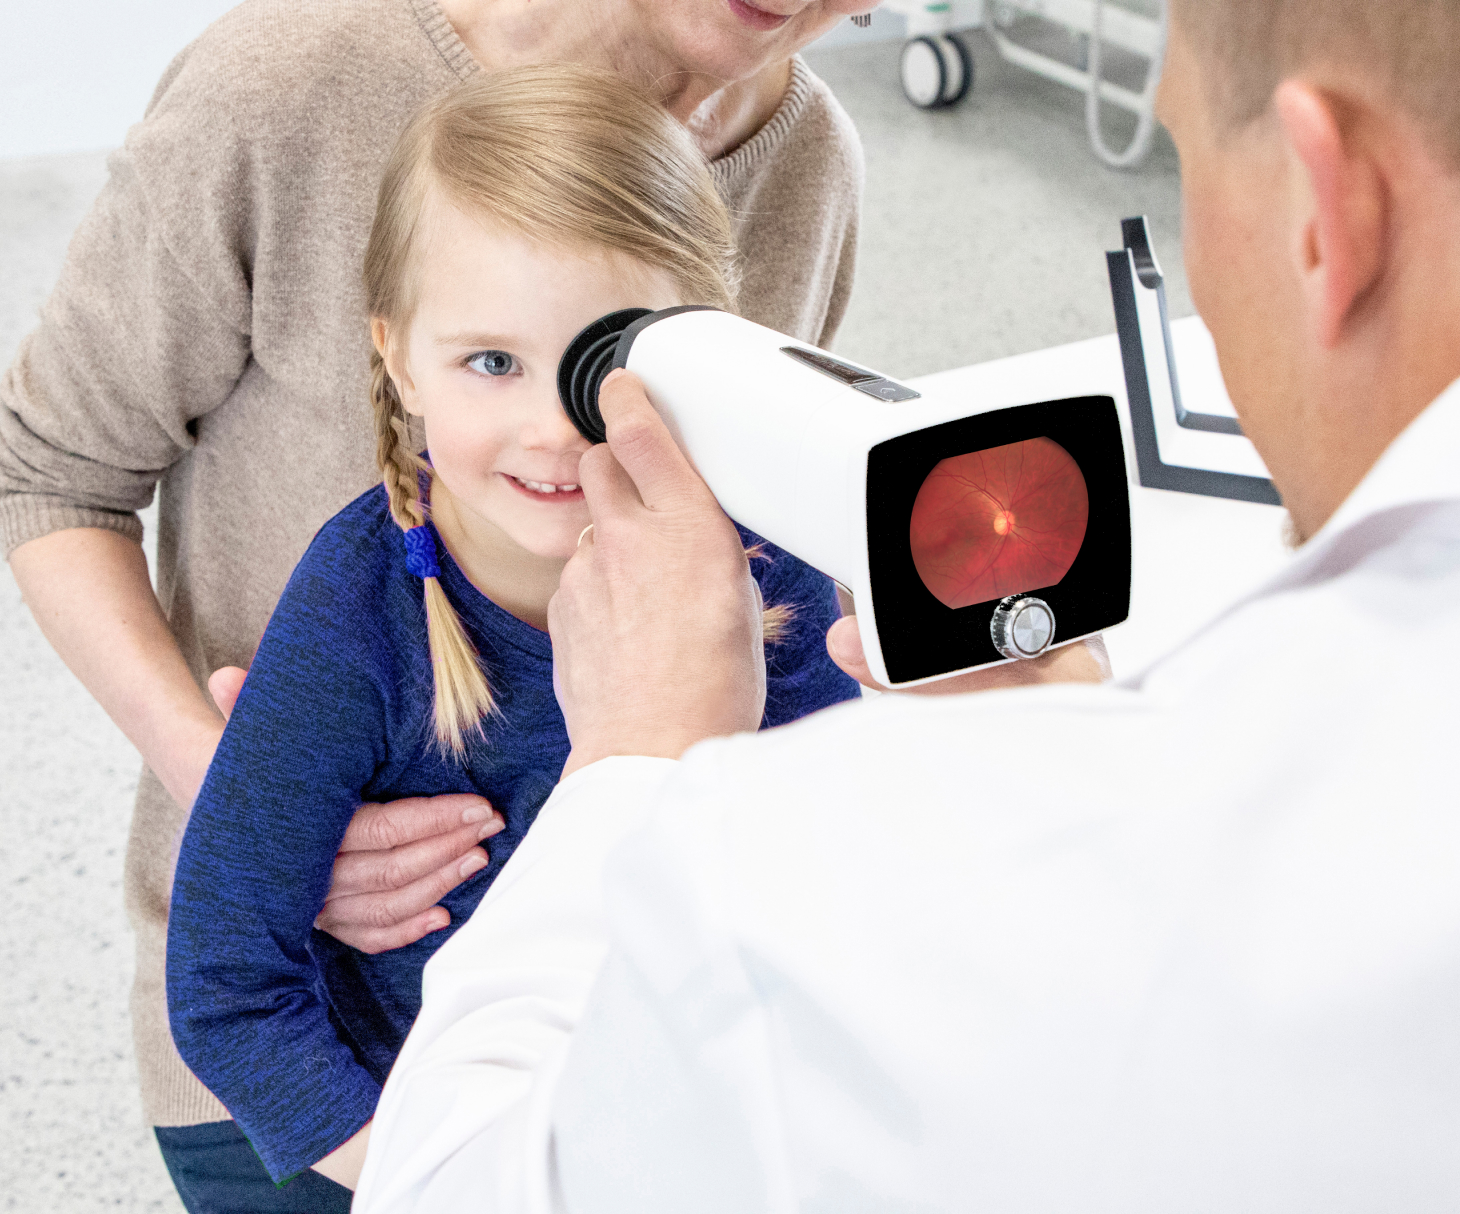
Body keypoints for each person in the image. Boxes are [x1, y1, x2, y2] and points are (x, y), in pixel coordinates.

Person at [351, 0, 1460, 1209]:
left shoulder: (796, 915)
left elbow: (447, 1180)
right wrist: (1064, 760)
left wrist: (634, 761)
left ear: (1325, 208)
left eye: (1183, 158)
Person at [0, 0, 873, 1204]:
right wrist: (253, 800)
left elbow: (832, 841)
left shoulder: (811, 169)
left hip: (635, 1093)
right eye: (491, 362)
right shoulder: (283, 86)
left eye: (609, 360)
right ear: (398, 358)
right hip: (343, 1084)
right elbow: (46, 476)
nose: (559, 431)